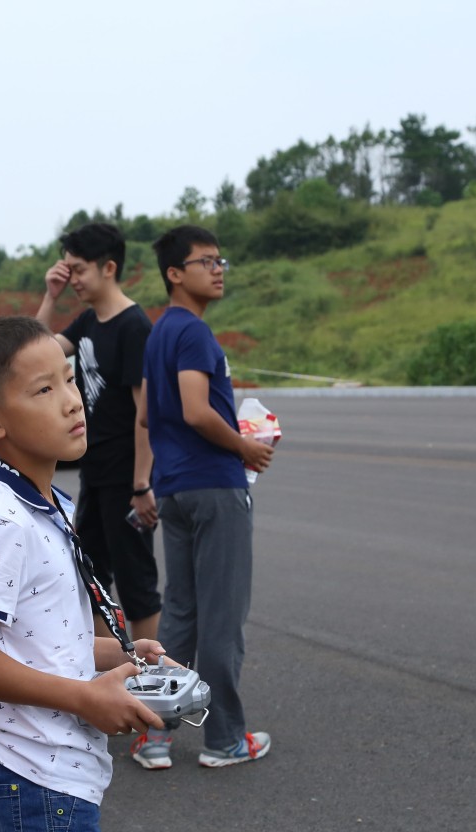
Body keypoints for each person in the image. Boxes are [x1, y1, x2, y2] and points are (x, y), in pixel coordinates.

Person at [0, 316, 169, 832]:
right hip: (31, 783)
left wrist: (122, 655)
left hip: (45, 776)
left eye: (69, 380)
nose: (72, 402)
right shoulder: (6, 522)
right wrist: (85, 698)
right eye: (44, 390)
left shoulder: (45, 502)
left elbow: (38, 640)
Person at [131, 225, 274, 772]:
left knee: (181, 616)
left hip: (174, 487)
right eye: (205, 261)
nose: (217, 269)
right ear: (175, 273)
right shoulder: (192, 332)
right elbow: (194, 408)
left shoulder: (158, 334)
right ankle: (225, 740)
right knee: (222, 617)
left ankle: (154, 735)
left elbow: (148, 414)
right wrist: (243, 447)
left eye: (220, 260)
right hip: (215, 485)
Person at [37, 222, 161, 641]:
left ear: (109, 268)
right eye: (66, 269)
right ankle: (108, 672)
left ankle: (152, 677)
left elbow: (146, 412)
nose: (71, 278)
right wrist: (49, 298)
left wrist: (142, 485)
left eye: (78, 270)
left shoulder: (134, 327)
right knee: (89, 578)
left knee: (137, 585)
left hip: (126, 476)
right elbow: (36, 353)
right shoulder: (89, 320)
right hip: (96, 474)